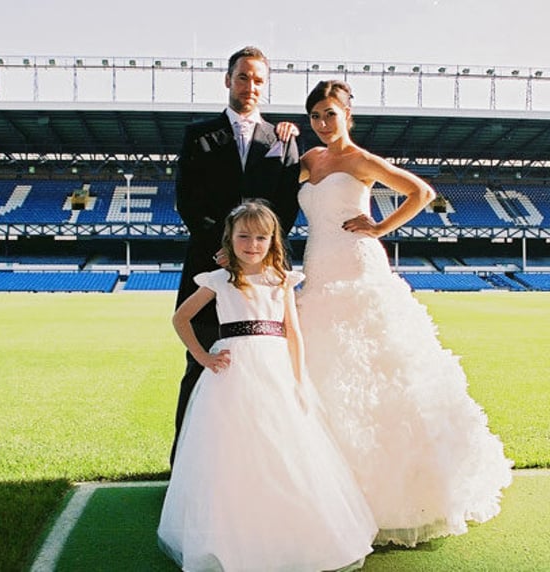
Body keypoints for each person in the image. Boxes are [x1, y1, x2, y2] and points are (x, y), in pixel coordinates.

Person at [296, 79, 513, 547]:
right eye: (315, 116)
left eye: (331, 114)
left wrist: (379, 227)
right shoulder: (309, 160)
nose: (323, 123)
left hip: (356, 263)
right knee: (322, 368)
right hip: (317, 266)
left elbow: (421, 192)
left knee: (379, 367)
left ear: (347, 115)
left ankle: (394, 495)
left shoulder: (361, 160)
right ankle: (324, 489)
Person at [158, 200, 376, 571]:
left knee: (284, 444)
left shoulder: (281, 280)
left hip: (275, 369)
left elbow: (293, 332)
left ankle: (287, 526)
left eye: (261, 237)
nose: (252, 244)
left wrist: (299, 377)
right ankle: (232, 530)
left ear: (272, 240)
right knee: (232, 447)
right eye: (244, 236)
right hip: (233, 373)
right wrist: (202, 356)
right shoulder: (219, 280)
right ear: (230, 238)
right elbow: (181, 318)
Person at [171, 45, 301, 465]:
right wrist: (226, 250)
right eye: (243, 77)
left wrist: (258, 257)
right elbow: (188, 201)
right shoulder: (198, 135)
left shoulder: (282, 138)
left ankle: (258, 468)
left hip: (264, 278)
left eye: (258, 79)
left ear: (266, 85)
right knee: (200, 367)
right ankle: (186, 469)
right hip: (210, 264)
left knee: (267, 374)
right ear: (228, 80)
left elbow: (286, 208)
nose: (250, 85)